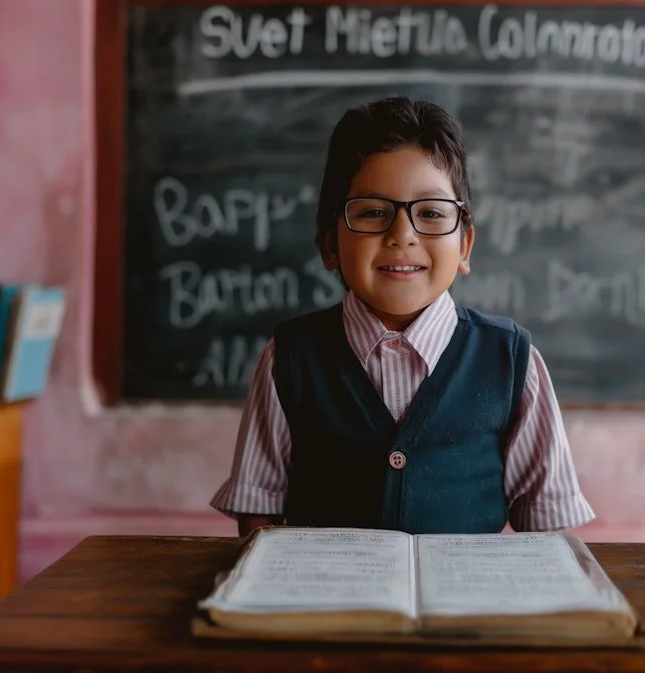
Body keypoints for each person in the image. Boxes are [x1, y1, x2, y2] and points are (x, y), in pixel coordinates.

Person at [210, 96, 594, 536]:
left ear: (465, 246)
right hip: (326, 601)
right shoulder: (289, 360)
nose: (403, 235)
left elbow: (549, 526)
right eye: (373, 213)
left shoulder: (513, 364)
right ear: (330, 245)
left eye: (431, 213)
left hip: (468, 603)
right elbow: (258, 511)